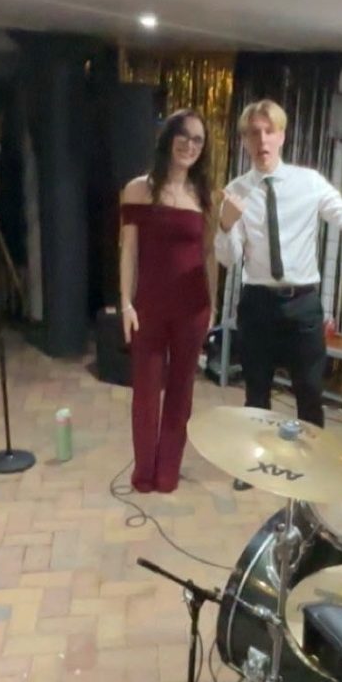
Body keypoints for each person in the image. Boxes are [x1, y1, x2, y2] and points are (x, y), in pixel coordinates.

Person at [215, 99, 342, 488]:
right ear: (245, 140)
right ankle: (255, 466)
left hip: (302, 304)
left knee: (310, 392)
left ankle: (314, 467)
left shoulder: (308, 182)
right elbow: (227, 258)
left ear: (282, 136)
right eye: (253, 133)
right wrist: (225, 225)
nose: (262, 140)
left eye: (269, 131)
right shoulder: (235, 192)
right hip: (258, 303)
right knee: (256, 394)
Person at [119, 109, 214, 494]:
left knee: (181, 390)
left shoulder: (203, 195)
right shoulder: (138, 189)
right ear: (168, 138)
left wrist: (214, 305)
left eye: (198, 140)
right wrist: (126, 303)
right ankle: (144, 471)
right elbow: (128, 250)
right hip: (149, 307)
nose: (190, 145)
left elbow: (208, 254)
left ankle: (168, 470)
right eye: (184, 136)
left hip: (193, 307)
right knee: (145, 391)